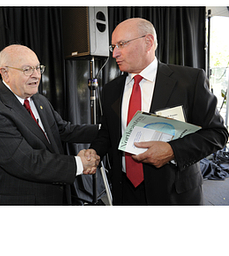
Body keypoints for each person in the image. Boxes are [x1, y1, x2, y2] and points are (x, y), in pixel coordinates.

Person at [87, 18, 228, 205]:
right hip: (124, 191)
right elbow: (108, 132)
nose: (115, 53)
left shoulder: (189, 81)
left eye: (121, 44)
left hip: (174, 192)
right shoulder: (111, 90)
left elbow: (217, 134)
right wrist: (94, 151)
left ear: (148, 42)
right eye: (113, 46)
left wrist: (172, 151)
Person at [0, 44, 100, 205]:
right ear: (5, 73)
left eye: (38, 68)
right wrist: (79, 164)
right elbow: (27, 161)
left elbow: (63, 130)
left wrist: (105, 129)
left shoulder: (38, 99)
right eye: (27, 69)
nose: (36, 75)